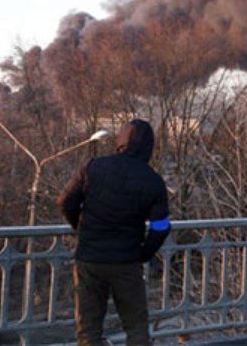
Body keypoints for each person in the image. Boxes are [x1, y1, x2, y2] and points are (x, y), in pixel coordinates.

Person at [59, 119, 170, 346]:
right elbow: (161, 226)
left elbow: (65, 201)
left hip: (89, 259)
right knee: (137, 328)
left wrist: (80, 230)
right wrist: (144, 253)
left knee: (88, 331)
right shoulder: (153, 181)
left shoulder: (94, 167)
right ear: (149, 146)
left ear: (120, 140)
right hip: (127, 262)